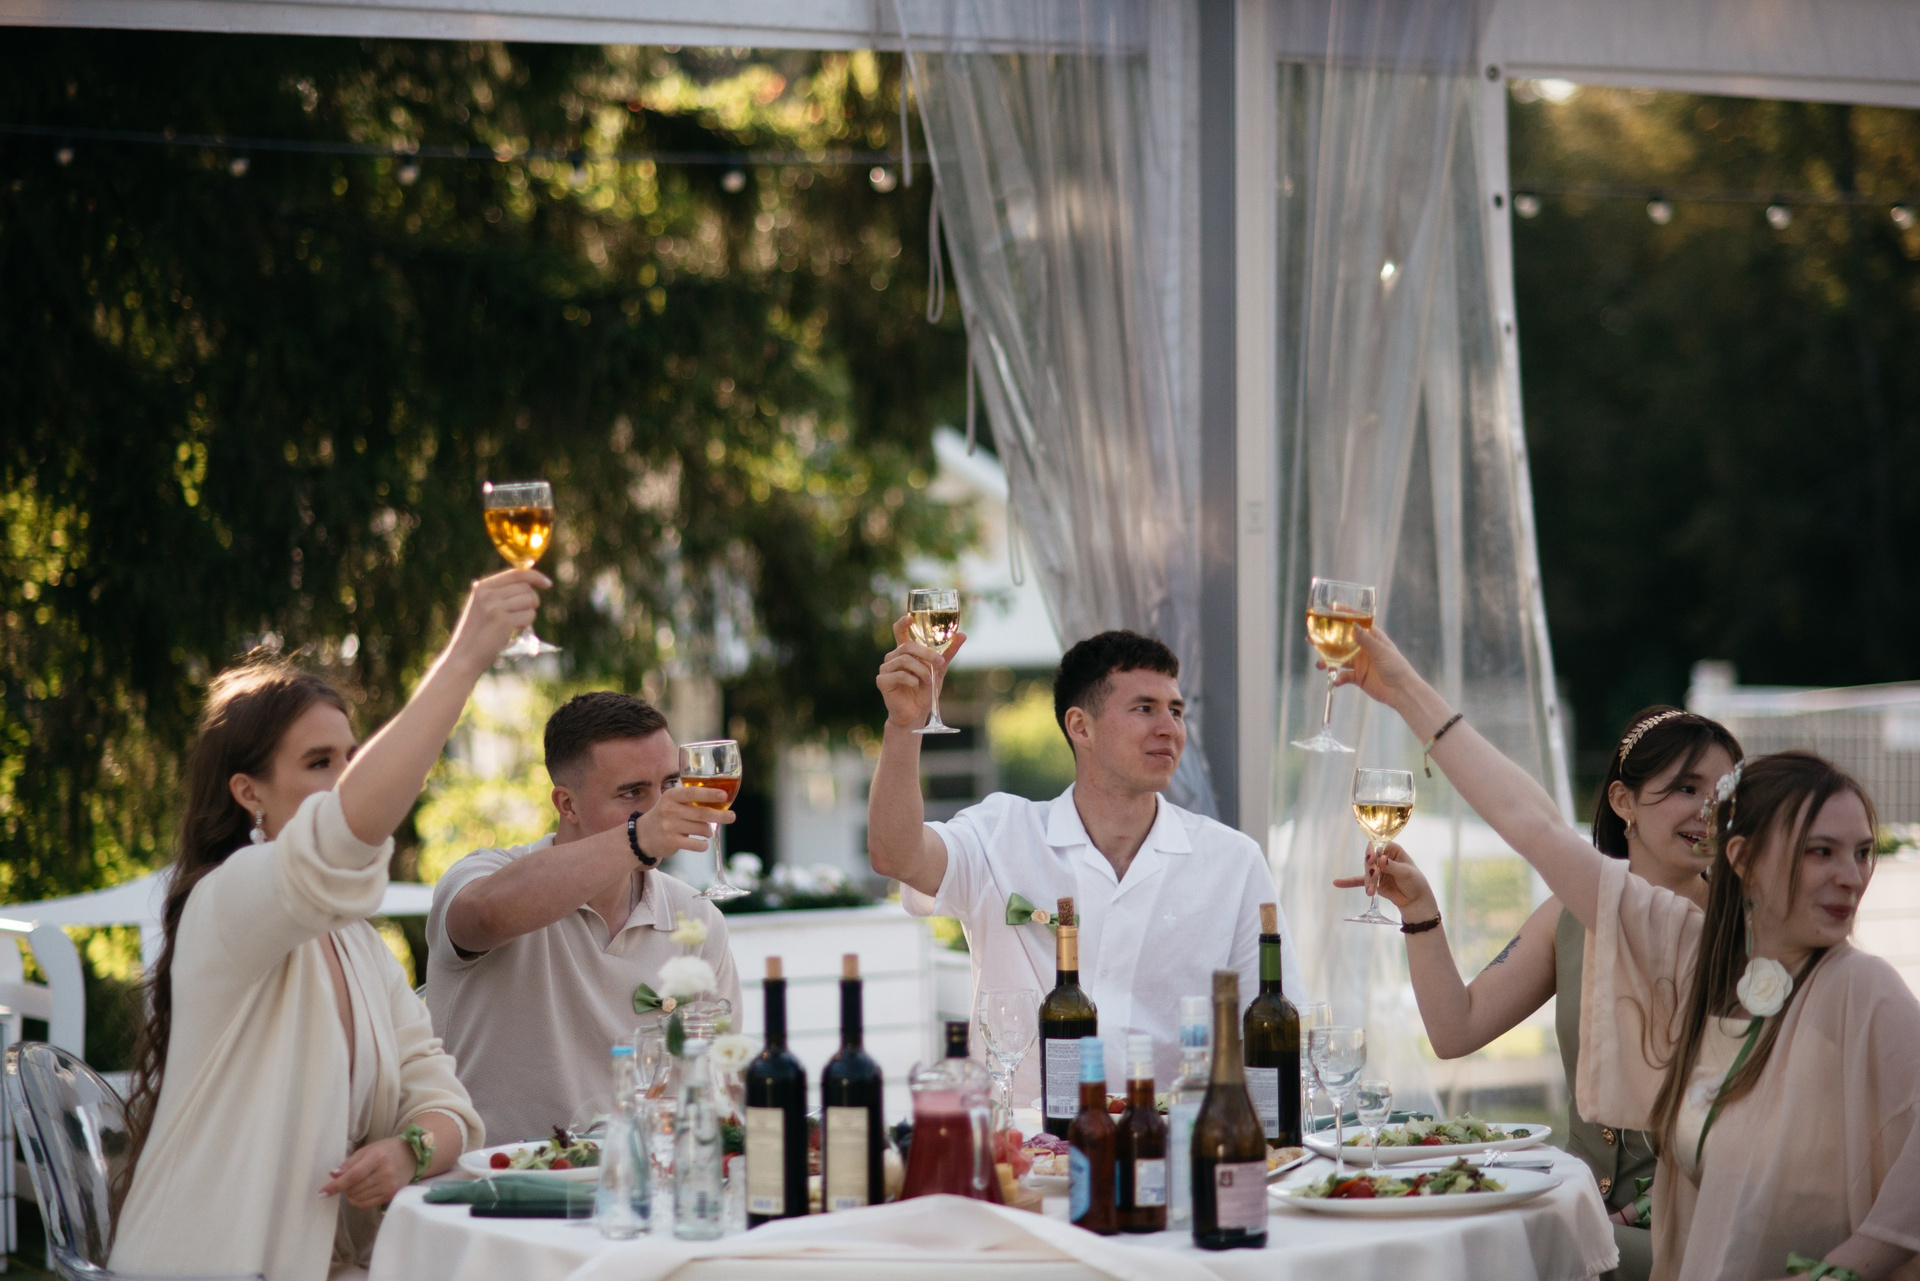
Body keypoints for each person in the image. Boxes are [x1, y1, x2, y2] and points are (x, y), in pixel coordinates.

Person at [1336, 624, 1920, 1281]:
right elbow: (1532, 824)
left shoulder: (1860, 985)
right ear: (1746, 858)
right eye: (1821, 851)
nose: (1851, 876)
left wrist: (1839, 1272)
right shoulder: (1681, 941)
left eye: (1863, 852)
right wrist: (1405, 689)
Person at [114, 569, 543, 1281]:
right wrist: (467, 656)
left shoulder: (356, 944)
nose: (345, 778)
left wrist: (406, 1149)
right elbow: (341, 835)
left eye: (353, 757)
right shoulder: (224, 904)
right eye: (320, 762)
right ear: (248, 792)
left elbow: (447, 1108)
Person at [1336, 706, 1741, 1281]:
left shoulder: (1743, 932)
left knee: (1488, 1253)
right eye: (1686, 787)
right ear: (1623, 802)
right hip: (1575, 1208)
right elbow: (1456, 1029)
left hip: (1684, 1230)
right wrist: (1420, 912)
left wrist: (1635, 1211)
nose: (1708, 810)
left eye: (1723, 793)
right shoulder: (1568, 915)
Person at [867, 621, 1301, 1095]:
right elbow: (897, 856)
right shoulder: (1001, 833)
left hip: (1171, 1134)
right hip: (1024, 1138)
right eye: (1145, 708)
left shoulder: (1233, 862)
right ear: (1080, 726)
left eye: (1176, 711)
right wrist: (903, 725)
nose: (1169, 728)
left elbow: (1275, 1030)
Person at [425, 691, 742, 1143]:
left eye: (670, 784)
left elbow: (719, 1078)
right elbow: (486, 915)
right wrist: (638, 838)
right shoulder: (486, 875)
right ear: (567, 805)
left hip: (639, 1177)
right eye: (633, 792)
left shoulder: (696, 916)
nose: (661, 807)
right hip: (493, 1178)